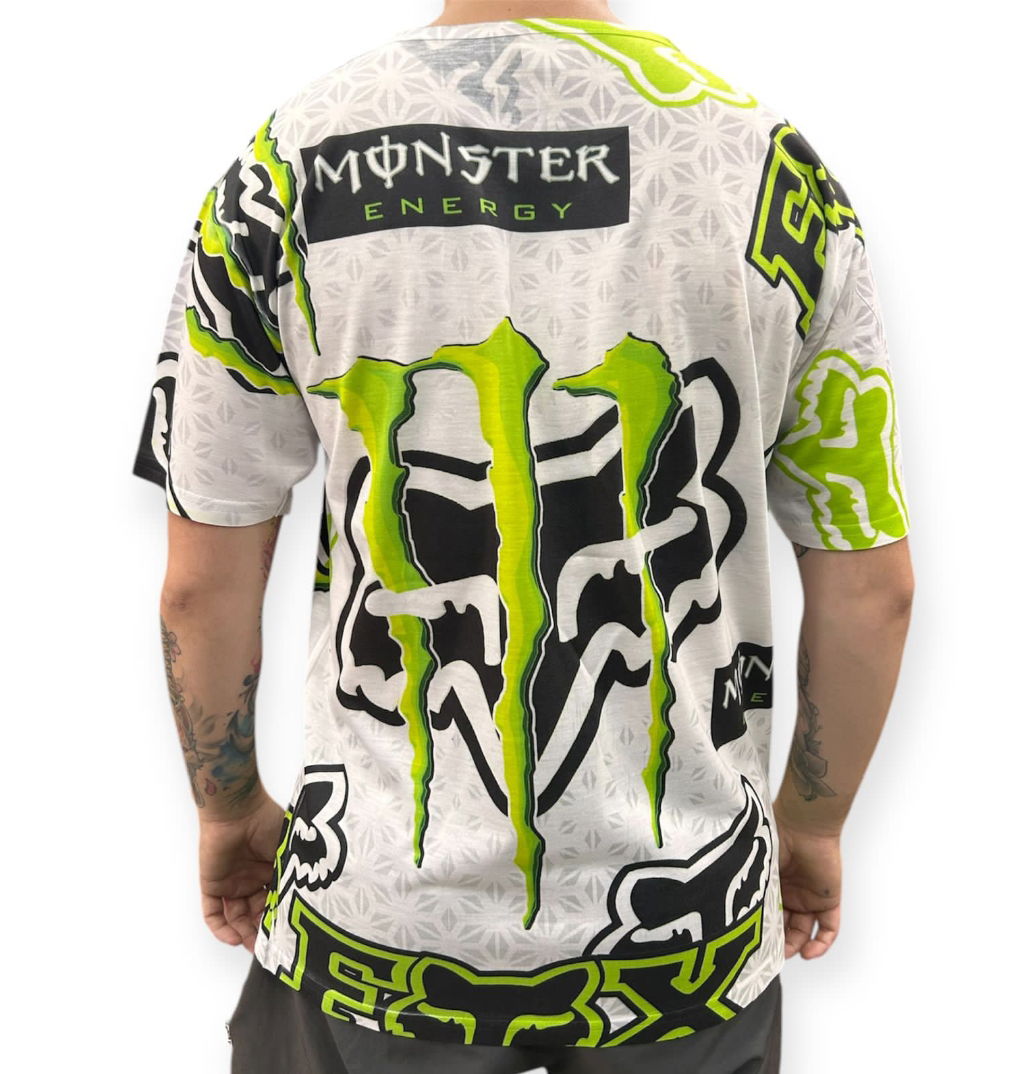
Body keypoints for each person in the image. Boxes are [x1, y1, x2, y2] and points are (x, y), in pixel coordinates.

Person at [132, 1, 916, 1071]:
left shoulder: (288, 167)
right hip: (685, 921)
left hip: (372, 922)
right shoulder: (767, 173)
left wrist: (226, 807)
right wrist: (812, 826)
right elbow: (871, 586)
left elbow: (202, 578)